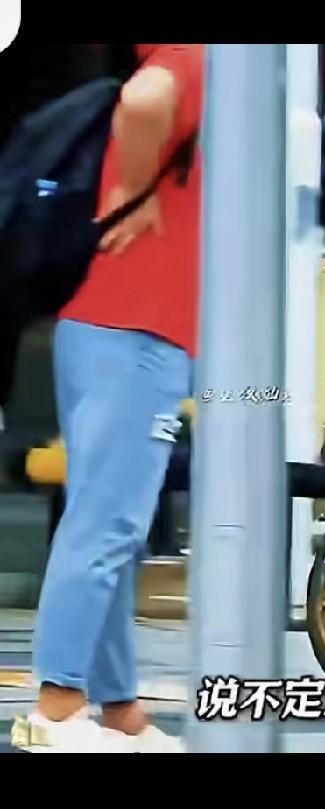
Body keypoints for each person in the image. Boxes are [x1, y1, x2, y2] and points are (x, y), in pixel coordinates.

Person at [12, 44, 203, 753]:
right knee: (106, 524)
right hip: (135, 327)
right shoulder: (198, 59)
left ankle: (119, 710)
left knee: (115, 526)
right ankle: (57, 708)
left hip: (111, 325)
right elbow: (144, 101)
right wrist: (132, 190)